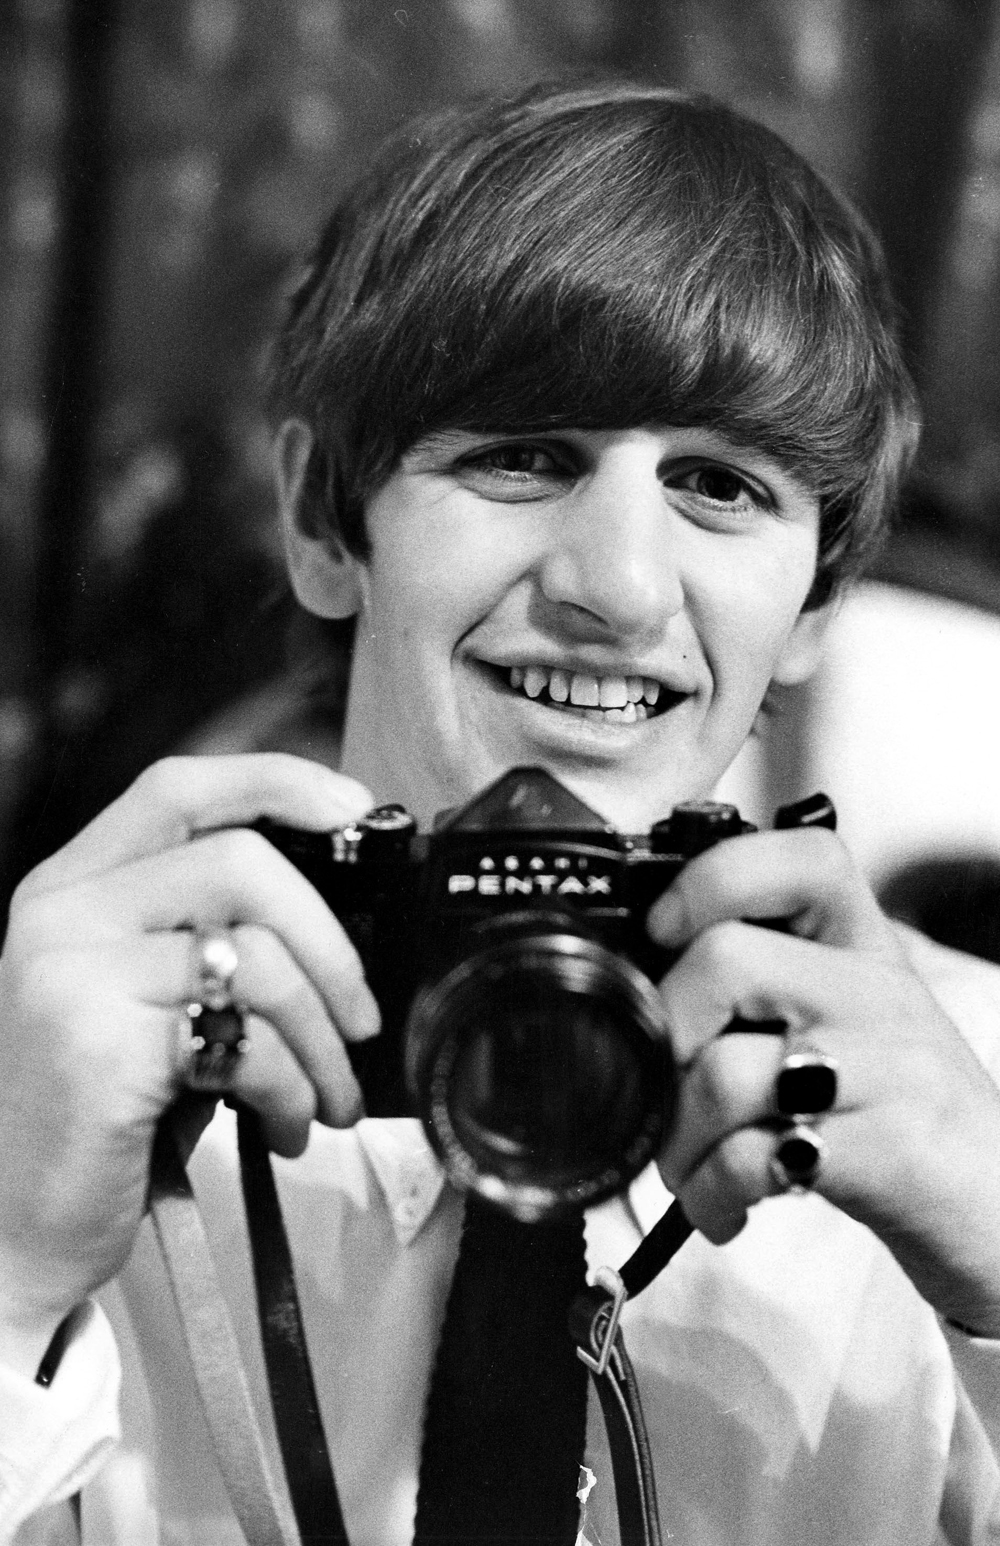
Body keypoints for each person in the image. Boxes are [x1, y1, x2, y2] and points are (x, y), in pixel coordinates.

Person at [1, 79, 999, 1546]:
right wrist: (9, 1261)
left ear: (815, 606)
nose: (619, 587)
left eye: (719, 486)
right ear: (325, 518)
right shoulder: (48, 1069)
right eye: (521, 456)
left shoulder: (978, 1095)